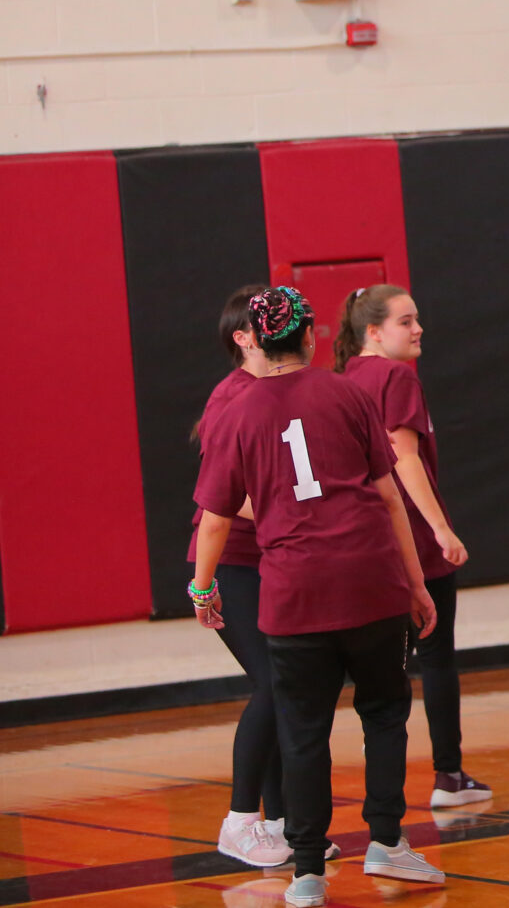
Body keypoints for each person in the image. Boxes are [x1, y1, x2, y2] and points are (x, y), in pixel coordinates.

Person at [190, 285, 444, 908]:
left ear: (255, 340)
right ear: (308, 338)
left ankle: (306, 871)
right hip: (370, 583)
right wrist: (415, 582)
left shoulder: (239, 412)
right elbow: (389, 497)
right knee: (384, 715)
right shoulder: (351, 393)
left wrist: (202, 589)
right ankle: (387, 840)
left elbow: (216, 517)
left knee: (303, 730)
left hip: (293, 594)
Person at [335, 284, 491, 809]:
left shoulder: (343, 380)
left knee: (380, 675)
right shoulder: (396, 377)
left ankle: (378, 799)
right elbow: (404, 458)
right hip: (412, 542)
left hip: (363, 545)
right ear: (373, 332)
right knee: (437, 657)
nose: (418, 327)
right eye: (406, 321)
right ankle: (448, 775)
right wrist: (440, 528)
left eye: (417, 317)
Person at [190, 285, 289, 868]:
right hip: (233, 561)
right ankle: (240, 819)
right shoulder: (235, 398)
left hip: (274, 558)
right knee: (275, 683)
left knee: (288, 687)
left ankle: (280, 822)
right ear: (244, 338)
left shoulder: (281, 387)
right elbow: (229, 501)